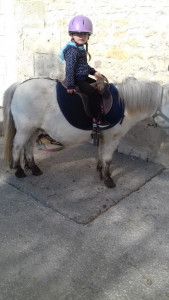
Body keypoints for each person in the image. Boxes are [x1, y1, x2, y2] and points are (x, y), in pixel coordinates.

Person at [59, 15, 110, 128]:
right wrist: (70, 84)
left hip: (83, 77)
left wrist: (94, 72)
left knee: (103, 86)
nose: (81, 36)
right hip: (77, 80)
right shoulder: (72, 50)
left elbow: (84, 66)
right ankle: (97, 120)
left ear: (88, 36)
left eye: (84, 34)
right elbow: (70, 69)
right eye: (78, 33)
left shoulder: (80, 48)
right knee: (93, 93)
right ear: (72, 35)